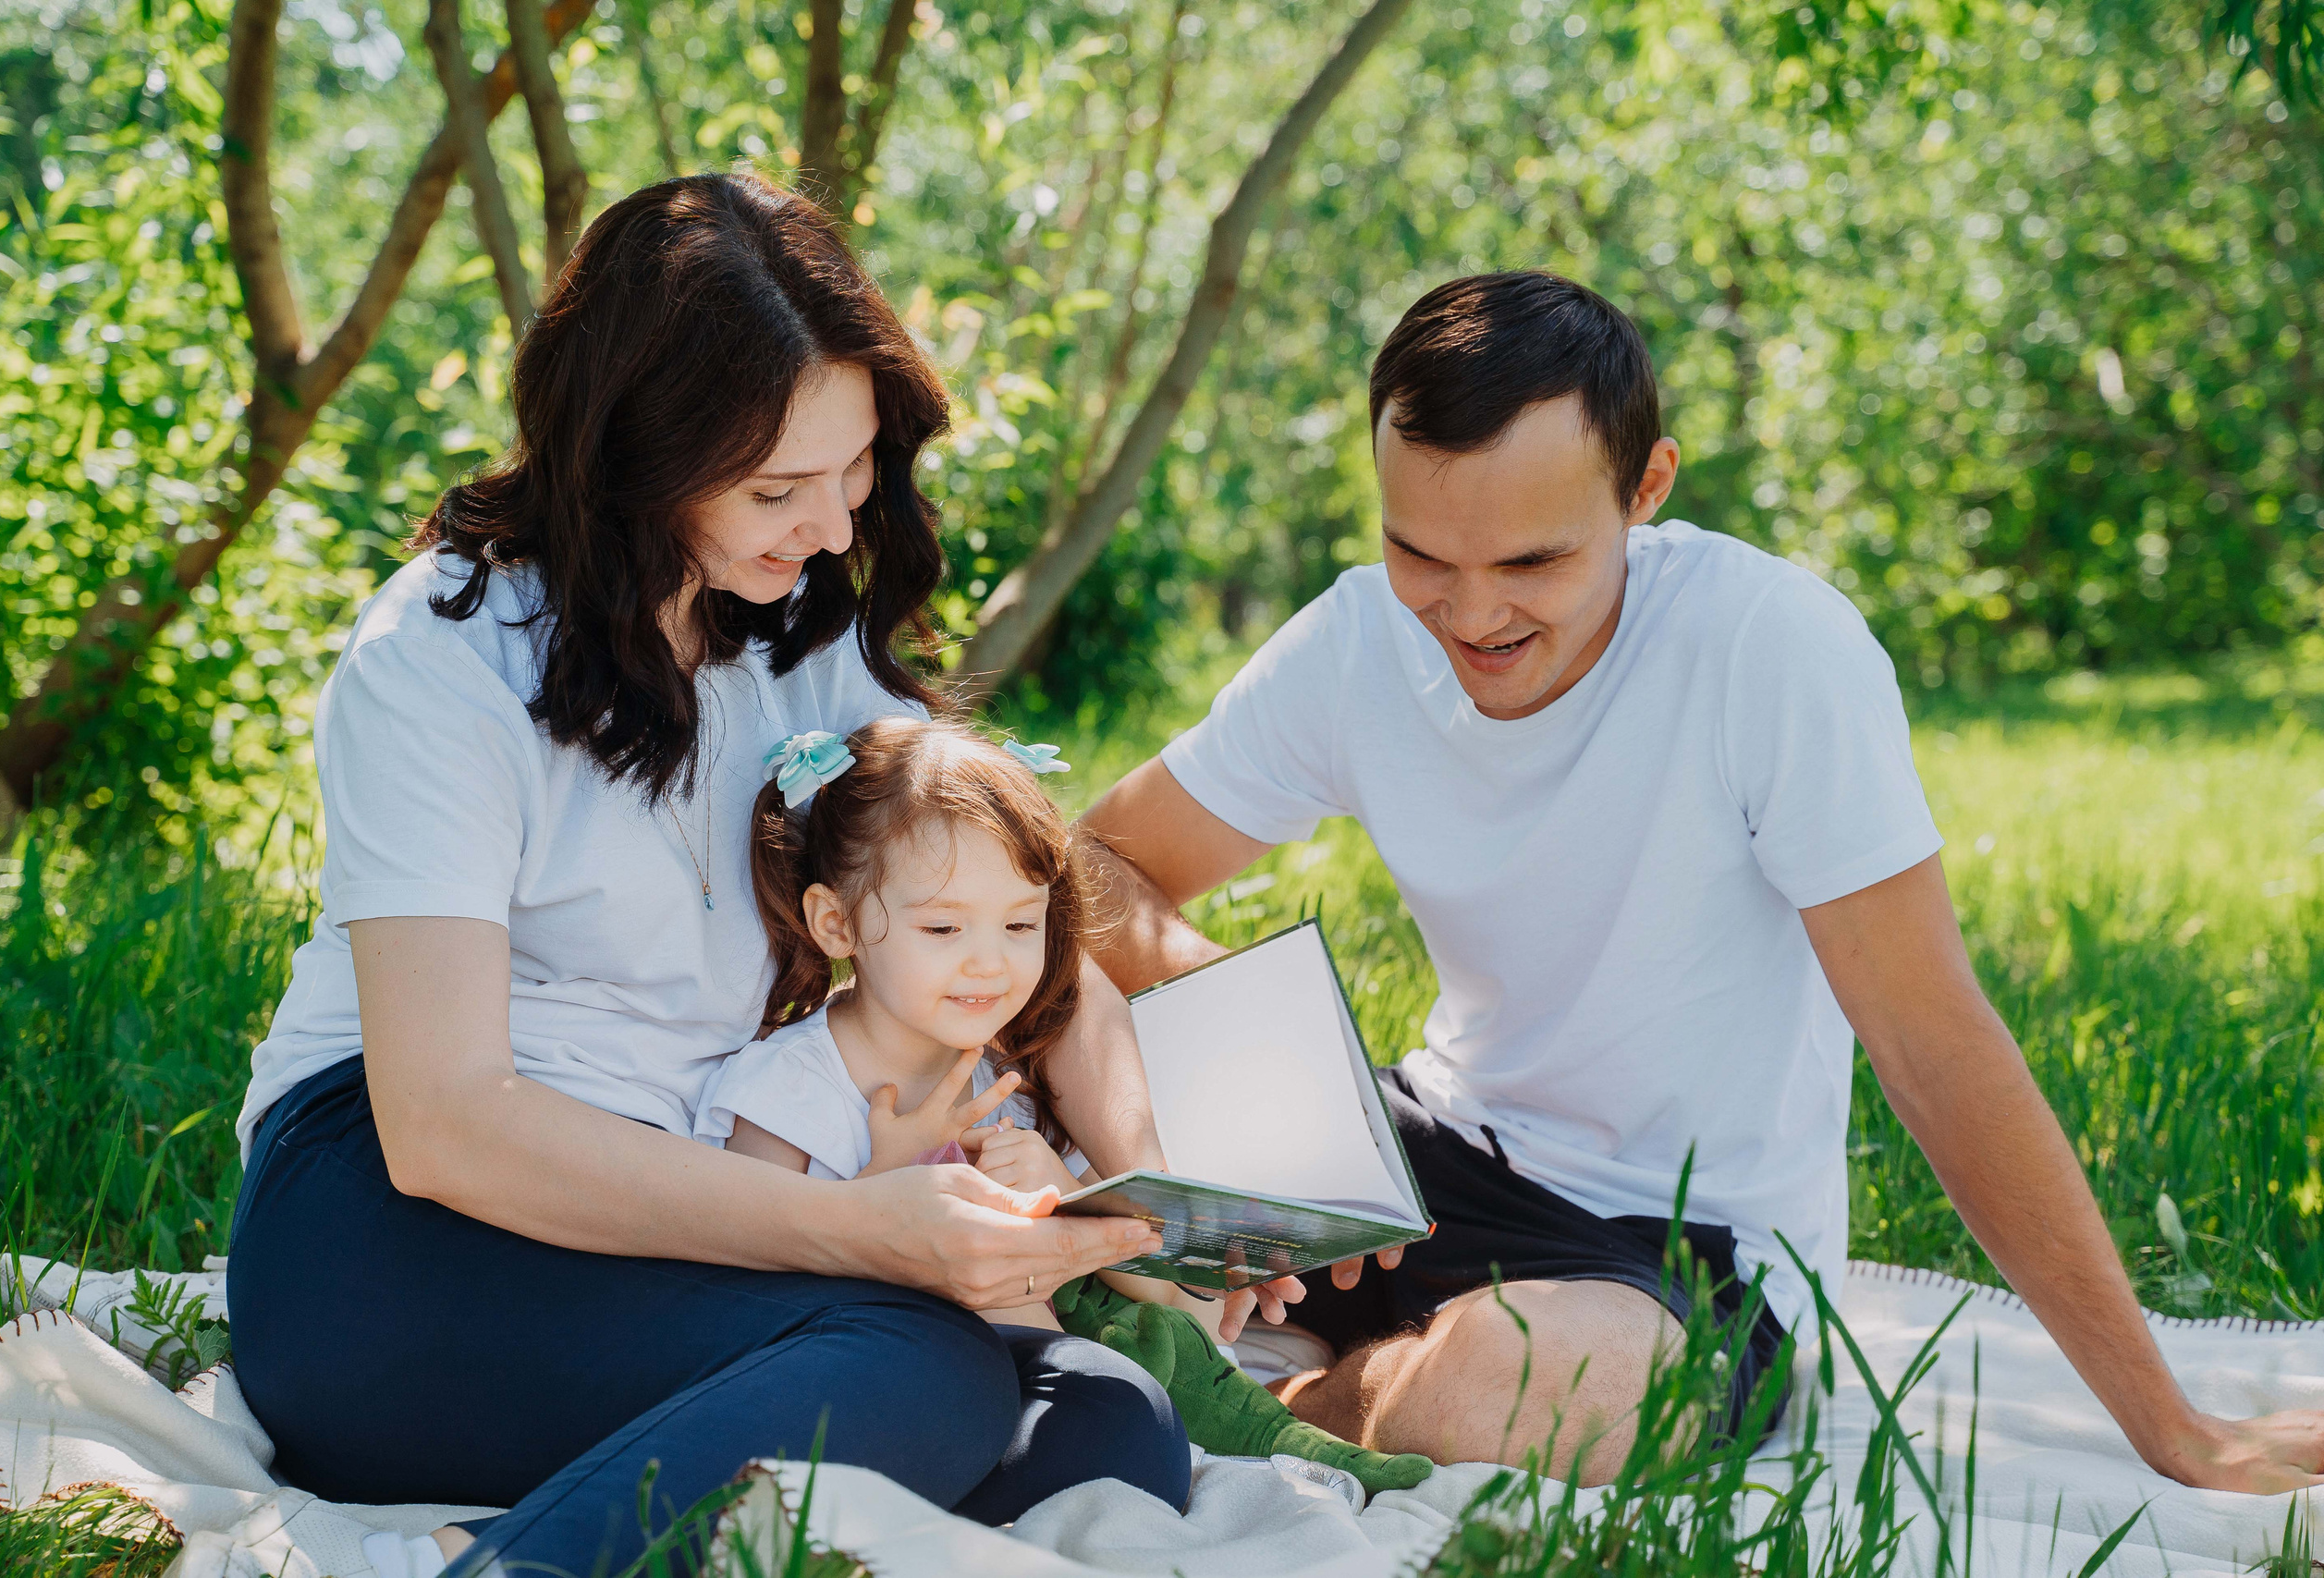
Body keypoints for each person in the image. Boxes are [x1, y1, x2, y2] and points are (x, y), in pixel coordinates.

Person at [1079, 270, 2324, 1490]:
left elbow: (1935, 1046)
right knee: (1019, 1051)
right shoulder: (1357, 641)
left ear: (1647, 488)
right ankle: (1227, 1339)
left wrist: (2174, 1425)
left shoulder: (1769, 651)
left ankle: (1265, 1400)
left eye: (1531, 562)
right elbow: (1088, 864)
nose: (1468, 613)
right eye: (1419, 552)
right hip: (1419, 1158)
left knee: (1521, 1388)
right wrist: (1288, 1087)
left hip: (1692, 1258)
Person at [226, 173, 1286, 1578]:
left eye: (851, 475)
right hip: (392, 1232)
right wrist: (851, 1231)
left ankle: (544, 1529)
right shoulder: (438, 659)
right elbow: (446, 1125)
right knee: (924, 1361)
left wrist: (1167, 1200)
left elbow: (1020, 942)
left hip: (671, 1207)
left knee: (1112, 1422)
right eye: (776, 490)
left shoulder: (792, 641)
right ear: (630, 455)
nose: (833, 530)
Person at [701, 712, 1435, 1493]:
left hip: (1046, 1367)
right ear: (836, 921)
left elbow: (1158, 1299)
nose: (990, 961)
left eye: (1021, 922)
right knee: (1116, 1412)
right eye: (944, 927)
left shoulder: (1002, 1075)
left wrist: (1072, 1197)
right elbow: (752, 1288)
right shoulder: (794, 1086)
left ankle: (1272, 1440)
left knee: (1156, 1367)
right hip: (903, 1385)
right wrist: (887, 1177)